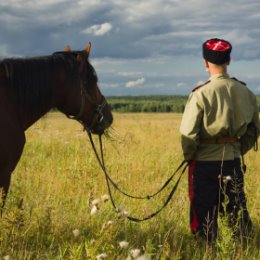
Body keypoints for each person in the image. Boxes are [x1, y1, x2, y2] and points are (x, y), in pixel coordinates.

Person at [179, 38, 259, 241]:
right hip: (232, 161)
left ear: (206, 62)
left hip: (204, 164)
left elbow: (188, 134)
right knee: (236, 213)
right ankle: (242, 250)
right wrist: (238, 149)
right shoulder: (246, 92)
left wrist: (191, 156)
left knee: (204, 216)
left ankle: (207, 250)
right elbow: (255, 128)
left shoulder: (200, 94)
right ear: (229, 60)